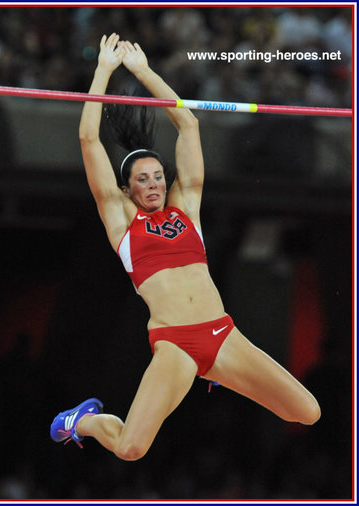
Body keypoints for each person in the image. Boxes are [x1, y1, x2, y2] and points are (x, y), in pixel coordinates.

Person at [50, 33, 321, 461]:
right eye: (143, 179)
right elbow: (89, 141)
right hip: (175, 344)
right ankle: (81, 421)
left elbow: (188, 123)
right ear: (126, 189)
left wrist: (144, 73)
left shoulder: (186, 211)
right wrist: (103, 70)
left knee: (307, 412)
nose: (154, 183)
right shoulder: (121, 223)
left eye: (158, 175)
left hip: (221, 334)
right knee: (131, 448)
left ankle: (219, 374)